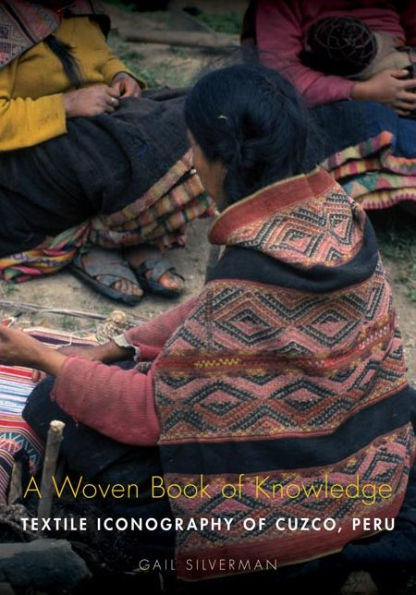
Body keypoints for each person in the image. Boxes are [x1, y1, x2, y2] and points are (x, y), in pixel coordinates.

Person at [1, 64, 415, 591]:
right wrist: (123, 343)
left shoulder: (249, 274)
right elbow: (214, 309)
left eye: (195, 149)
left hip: (278, 518)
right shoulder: (336, 211)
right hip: (370, 481)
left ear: (224, 160)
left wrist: (44, 359)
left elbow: (151, 412)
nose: (192, 165)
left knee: (54, 405)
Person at [0, 0, 214, 304]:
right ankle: (105, 241)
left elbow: (99, 56)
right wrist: (66, 104)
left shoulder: (76, 7)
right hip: (29, 161)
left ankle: (123, 235)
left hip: (92, 127)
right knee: (118, 153)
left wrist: (119, 75)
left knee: (203, 107)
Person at [245, 0, 416, 212]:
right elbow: (284, 79)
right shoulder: (274, 7)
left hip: (401, 88)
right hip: (329, 106)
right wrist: (362, 91)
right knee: (373, 120)